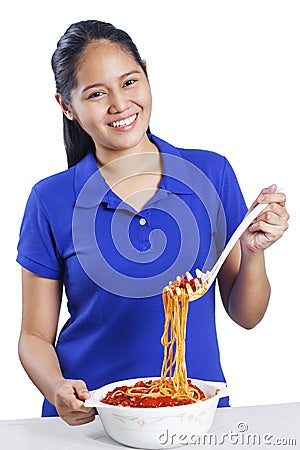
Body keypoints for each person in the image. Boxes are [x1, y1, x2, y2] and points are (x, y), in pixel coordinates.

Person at [17, 19, 289, 426]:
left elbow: (247, 315)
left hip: (194, 413)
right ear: (66, 106)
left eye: (129, 82)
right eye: (96, 93)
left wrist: (252, 254)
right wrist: (56, 387)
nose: (119, 104)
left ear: (146, 73)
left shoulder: (210, 173)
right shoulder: (50, 198)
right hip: (92, 419)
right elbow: (34, 336)